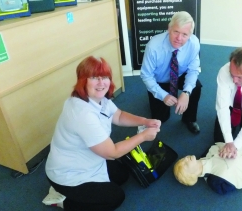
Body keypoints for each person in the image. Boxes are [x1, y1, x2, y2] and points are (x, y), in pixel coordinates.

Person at [44, 56, 161, 211]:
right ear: (83, 81)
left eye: (104, 77)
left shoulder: (97, 98)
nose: (101, 83)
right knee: (115, 198)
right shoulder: (82, 114)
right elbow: (112, 153)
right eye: (94, 78)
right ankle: (61, 200)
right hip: (68, 174)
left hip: (88, 158)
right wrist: (143, 136)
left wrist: (145, 121)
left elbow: (118, 116)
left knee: (122, 176)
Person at [140, 11, 202, 134]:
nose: (179, 38)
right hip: (160, 80)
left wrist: (186, 92)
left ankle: (189, 119)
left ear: (190, 35)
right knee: (161, 118)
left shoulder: (194, 43)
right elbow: (146, 76)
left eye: (184, 34)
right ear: (169, 28)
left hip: (179, 75)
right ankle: (159, 100)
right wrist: (163, 95)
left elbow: (193, 70)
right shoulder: (153, 46)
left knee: (196, 87)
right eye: (176, 32)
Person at [173, 142, 242, 194]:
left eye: (183, 159)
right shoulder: (216, 182)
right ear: (192, 176)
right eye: (186, 164)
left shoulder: (209, 151)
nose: (186, 158)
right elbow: (234, 182)